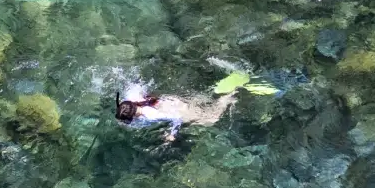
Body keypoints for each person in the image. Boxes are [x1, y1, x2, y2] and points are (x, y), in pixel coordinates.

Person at [115, 70, 277, 142]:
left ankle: (233, 94)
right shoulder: (132, 97)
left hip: (180, 110)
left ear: (133, 115)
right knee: (205, 101)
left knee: (212, 118)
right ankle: (223, 90)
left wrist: (172, 134)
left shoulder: (150, 115)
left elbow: (176, 118)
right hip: (173, 100)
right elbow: (136, 86)